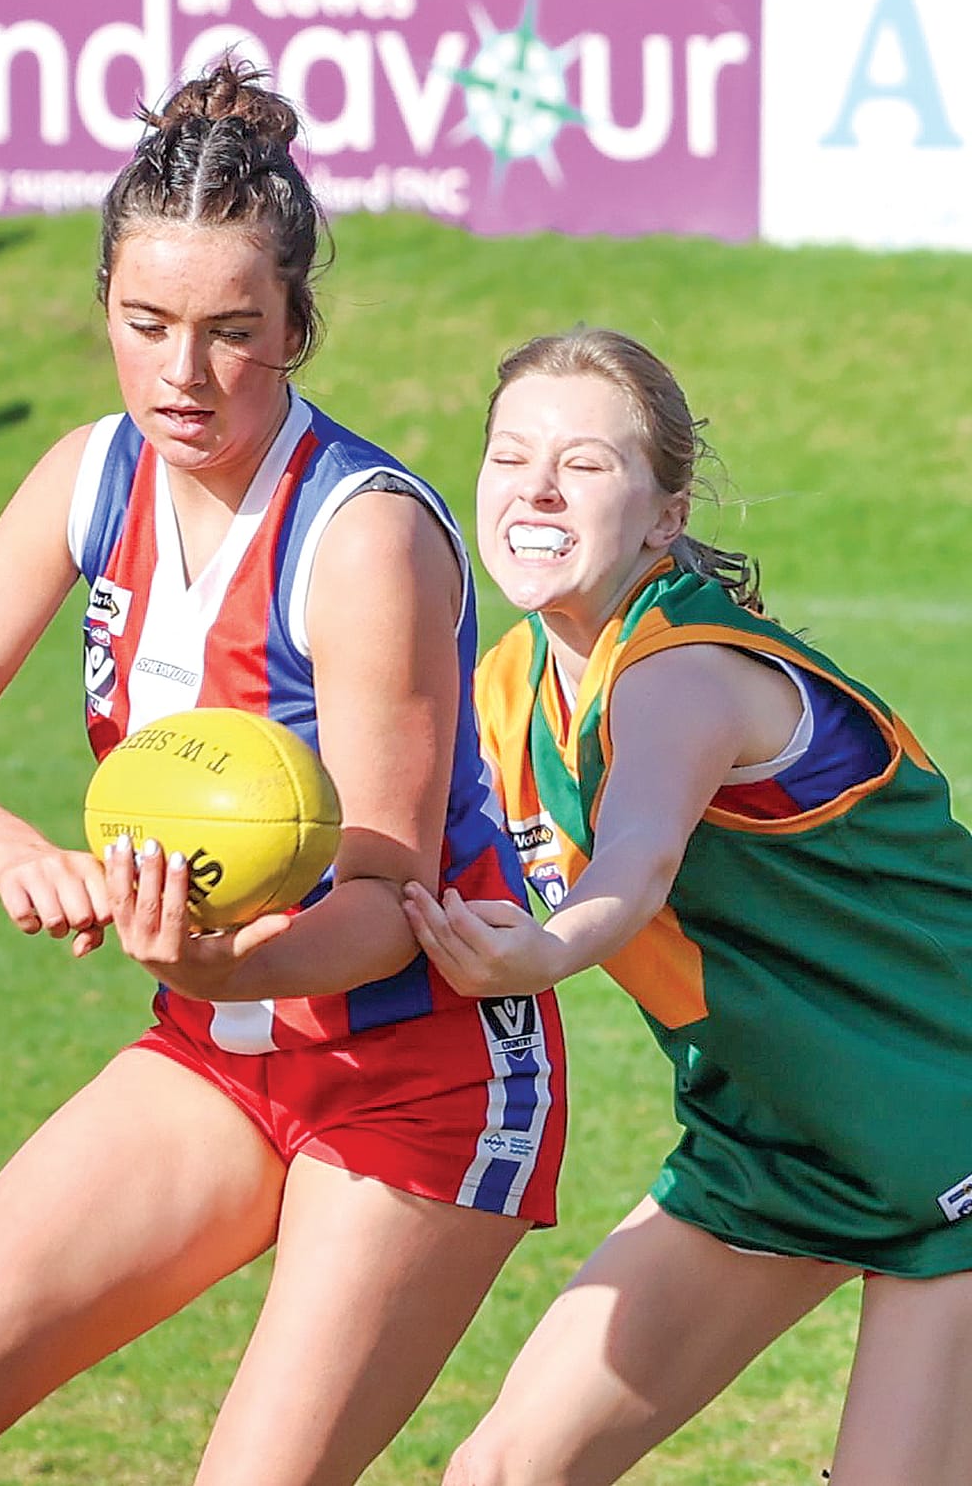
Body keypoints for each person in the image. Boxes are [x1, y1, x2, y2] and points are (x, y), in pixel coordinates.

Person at [0, 62, 565, 1486]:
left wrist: (220, 966)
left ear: (298, 325)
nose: (183, 374)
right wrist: (20, 859)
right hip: (220, 1052)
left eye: (233, 331)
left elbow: (389, 891)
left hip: (420, 1063)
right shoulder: (85, 477)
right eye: (146, 323)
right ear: (101, 299)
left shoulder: (363, 536)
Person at [402, 327, 972, 1486]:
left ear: (663, 517)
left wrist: (542, 951)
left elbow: (635, 865)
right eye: (509, 457)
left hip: (947, 1120)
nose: (538, 488)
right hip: (781, 1138)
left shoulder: (681, 671)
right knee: (503, 1472)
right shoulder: (506, 690)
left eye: (584, 464)